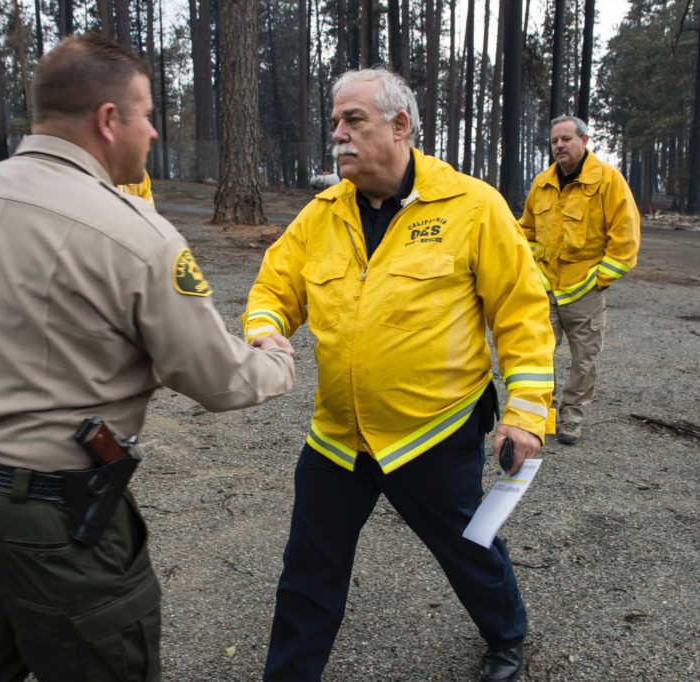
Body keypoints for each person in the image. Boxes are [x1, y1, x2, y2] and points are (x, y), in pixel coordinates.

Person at [0, 34, 295, 681]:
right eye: (145, 114)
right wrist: (275, 357)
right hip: (48, 514)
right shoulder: (135, 235)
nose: (151, 132)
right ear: (108, 120)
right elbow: (216, 378)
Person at [244, 67, 555, 682]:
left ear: (400, 125)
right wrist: (264, 326)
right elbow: (274, 287)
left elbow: (521, 317)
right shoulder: (321, 214)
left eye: (353, 121)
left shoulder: (472, 207)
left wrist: (525, 415)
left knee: (471, 549)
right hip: (337, 439)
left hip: (433, 434)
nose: (338, 135)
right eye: (334, 122)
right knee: (309, 569)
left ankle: (506, 637)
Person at [518, 115, 640, 446]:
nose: (559, 145)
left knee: (584, 360)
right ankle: (541, 416)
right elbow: (526, 231)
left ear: (584, 141)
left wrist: (599, 279)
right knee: (536, 355)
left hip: (585, 291)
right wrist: (533, 272)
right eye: (555, 140)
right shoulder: (542, 183)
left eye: (566, 139)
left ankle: (572, 418)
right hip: (546, 288)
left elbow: (625, 238)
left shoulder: (608, 181)